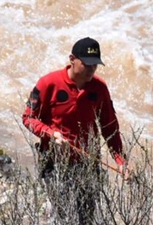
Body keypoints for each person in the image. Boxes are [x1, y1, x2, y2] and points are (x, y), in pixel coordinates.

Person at [22, 36, 127, 173]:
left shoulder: (100, 88)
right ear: (72, 59)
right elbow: (28, 118)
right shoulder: (48, 83)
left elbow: (109, 127)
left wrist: (121, 161)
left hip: (88, 165)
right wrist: (50, 134)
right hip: (53, 163)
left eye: (95, 65)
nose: (91, 69)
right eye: (87, 64)